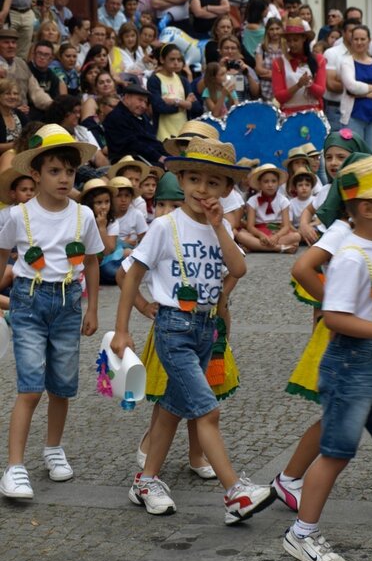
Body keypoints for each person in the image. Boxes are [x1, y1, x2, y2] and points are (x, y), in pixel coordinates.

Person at [111, 137, 276, 520]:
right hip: (173, 328)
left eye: (213, 182)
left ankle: (146, 481)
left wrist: (219, 228)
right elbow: (131, 274)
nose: (202, 189)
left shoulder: (220, 228)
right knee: (207, 410)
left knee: (172, 409)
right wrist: (122, 328)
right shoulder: (164, 226)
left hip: (206, 327)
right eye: (195, 179)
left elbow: (238, 269)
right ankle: (235, 493)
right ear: (182, 180)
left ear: (227, 189)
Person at [282, 153, 372, 561]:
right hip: (350, 366)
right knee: (337, 452)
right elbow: (334, 317)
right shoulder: (350, 256)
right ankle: (301, 533)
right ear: (367, 209)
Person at [0, 124, 102, 500]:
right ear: (35, 173)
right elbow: (2, 256)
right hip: (27, 302)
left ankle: (53, 448)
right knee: (30, 387)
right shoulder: (17, 215)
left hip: (69, 304)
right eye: (54, 171)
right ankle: (14, 467)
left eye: (69, 171)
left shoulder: (83, 215)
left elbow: (92, 262)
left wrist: (93, 309)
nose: (63, 178)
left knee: (62, 385)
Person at [340, 24, 372, 153]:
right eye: (356, 39)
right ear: (351, 41)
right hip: (354, 117)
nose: (359, 42)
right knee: (354, 155)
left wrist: (367, 94)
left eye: (362, 39)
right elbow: (352, 86)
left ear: (369, 40)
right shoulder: (346, 62)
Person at [236, 163, 300, 253]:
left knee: (296, 236)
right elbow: (250, 226)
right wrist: (261, 235)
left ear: (278, 183)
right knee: (241, 235)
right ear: (260, 183)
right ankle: (280, 248)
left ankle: (255, 246)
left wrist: (276, 236)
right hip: (258, 232)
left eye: (274, 181)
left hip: (277, 232)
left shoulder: (283, 200)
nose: (270, 185)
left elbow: (286, 226)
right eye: (266, 182)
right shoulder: (253, 200)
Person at [103, 85, 170, 165]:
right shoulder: (116, 117)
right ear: (127, 97)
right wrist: (158, 157)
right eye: (140, 100)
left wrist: (168, 155)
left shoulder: (142, 117)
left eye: (145, 102)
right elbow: (132, 144)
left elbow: (152, 140)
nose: (143, 106)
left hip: (147, 158)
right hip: (129, 162)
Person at [272, 18, 326, 114]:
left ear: (304, 38)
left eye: (295, 40)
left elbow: (321, 92)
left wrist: (309, 84)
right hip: (289, 115)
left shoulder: (318, 60)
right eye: (289, 41)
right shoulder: (279, 62)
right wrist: (298, 85)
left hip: (313, 114)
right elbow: (279, 97)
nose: (292, 44)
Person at [147, 44, 197, 140]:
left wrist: (175, 101)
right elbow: (159, 107)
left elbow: (196, 107)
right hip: (163, 135)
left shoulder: (183, 80)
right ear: (162, 59)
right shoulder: (154, 80)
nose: (176, 63)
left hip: (183, 134)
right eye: (172, 59)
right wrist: (185, 105)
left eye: (179, 59)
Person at [0, 28, 52, 114]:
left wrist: (53, 105)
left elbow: (36, 91)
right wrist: (13, 109)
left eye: (13, 42)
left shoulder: (21, 63)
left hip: (24, 114)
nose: (11, 46)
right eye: (6, 42)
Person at [323, 17, 361, 131]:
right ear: (343, 33)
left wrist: (343, 80)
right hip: (336, 109)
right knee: (337, 142)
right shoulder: (332, 53)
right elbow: (331, 85)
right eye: (351, 31)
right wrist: (359, 86)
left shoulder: (363, 56)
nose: (354, 35)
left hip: (358, 108)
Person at [27, 41, 66, 106]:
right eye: (39, 53)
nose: (42, 57)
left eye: (46, 55)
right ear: (33, 55)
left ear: (51, 58)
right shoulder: (25, 70)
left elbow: (55, 100)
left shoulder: (53, 77)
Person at [255, 18, 284, 102]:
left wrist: (272, 75)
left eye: (277, 29)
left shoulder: (287, 47)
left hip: (283, 90)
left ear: (282, 29)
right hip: (266, 91)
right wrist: (278, 74)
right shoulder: (261, 47)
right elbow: (258, 69)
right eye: (271, 29)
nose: (275, 32)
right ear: (267, 31)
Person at [0, 79, 26, 154]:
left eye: (15, 94)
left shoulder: (19, 114)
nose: (12, 97)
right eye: (7, 93)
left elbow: (31, 132)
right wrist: (17, 144)